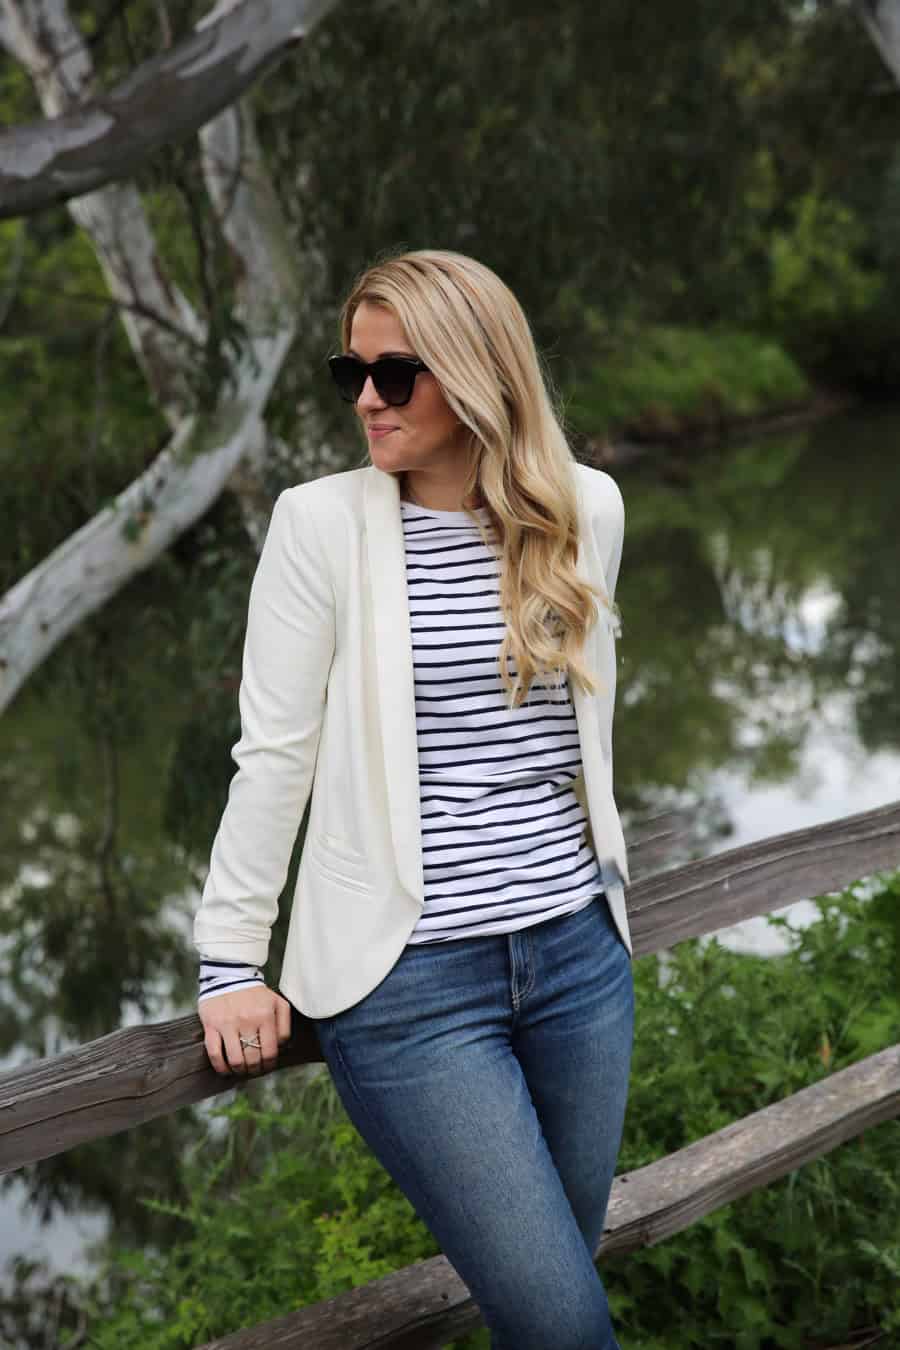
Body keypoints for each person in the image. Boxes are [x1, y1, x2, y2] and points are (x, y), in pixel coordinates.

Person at [194, 249, 633, 1349]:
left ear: (479, 374)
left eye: (395, 374)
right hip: (413, 987)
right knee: (565, 1329)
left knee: (557, 1300)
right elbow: (274, 754)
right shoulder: (318, 525)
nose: (365, 400)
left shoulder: (586, 508)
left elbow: (576, 739)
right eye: (352, 372)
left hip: (579, 957)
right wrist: (230, 960)